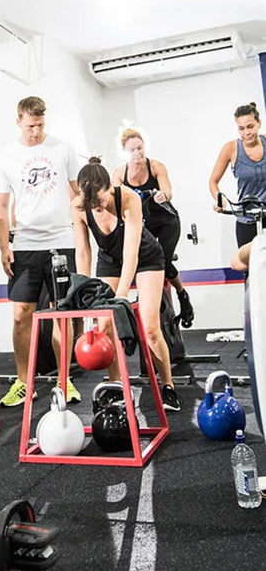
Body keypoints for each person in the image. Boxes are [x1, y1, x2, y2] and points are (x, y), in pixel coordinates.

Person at [71, 157, 181, 411]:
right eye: (91, 205)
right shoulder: (78, 207)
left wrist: (118, 298)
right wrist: (83, 291)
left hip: (145, 257)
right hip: (109, 259)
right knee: (105, 324)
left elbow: (131, 253)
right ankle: (116, 386)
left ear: (110, 188)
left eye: (100, 202)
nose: (97, 209)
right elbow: (83, 251)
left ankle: (168, 386)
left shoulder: (128, 197)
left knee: (150, 326)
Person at [0, 96, 81, 407]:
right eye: (31, 126)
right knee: (21, 316)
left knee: (61, 314)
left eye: (41, 125)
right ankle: (23, 381)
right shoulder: (6, 157)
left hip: (60, 242)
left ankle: (64, 380)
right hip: (26, 244)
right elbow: (1, 206)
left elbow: (77, 191)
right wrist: (5, 245)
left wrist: (82, 235)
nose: (36, 132)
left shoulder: (62, 148)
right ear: (18, 121)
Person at [112, 128, 194, 326]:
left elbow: (168, 191)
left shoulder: (156, 166)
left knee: (162, 261)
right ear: (124, 152)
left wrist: (162, 195)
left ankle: (182, 294)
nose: (137, 153)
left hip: (166, 221)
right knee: (141, 262)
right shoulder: (119, 173)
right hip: (142, 224)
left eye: (140, 148)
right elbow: (115, 202)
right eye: (132, 150)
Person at [209, 102, 266, 248]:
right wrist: (219, 200)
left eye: (250, 126)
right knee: (246, 265)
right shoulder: (230, 149)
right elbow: (213, 181)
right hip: (247, 216)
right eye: (241, 128)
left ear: (259, 123)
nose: (246, 133)